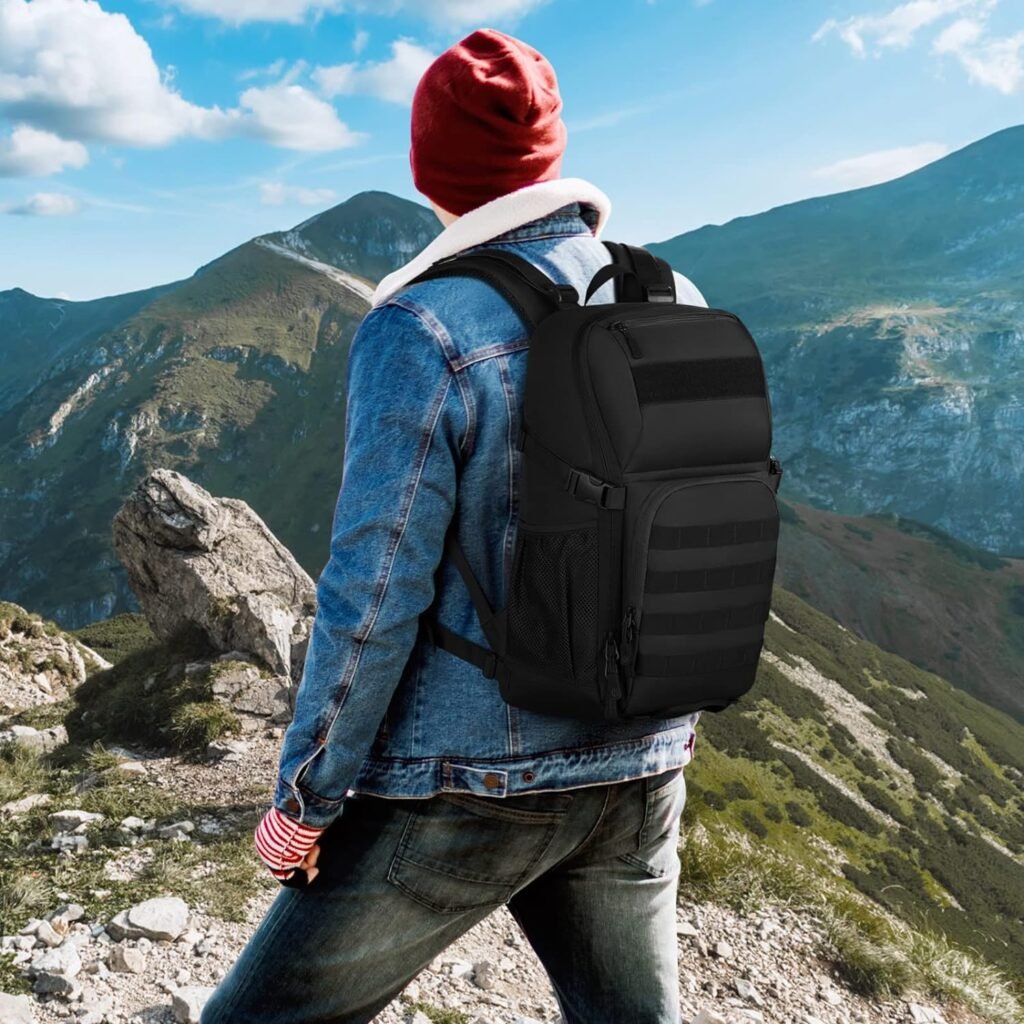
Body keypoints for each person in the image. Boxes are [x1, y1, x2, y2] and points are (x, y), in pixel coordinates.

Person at [200, 26, 706, 1024]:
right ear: (550, 154)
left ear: (430, 170)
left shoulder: (422, 327)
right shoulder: (669, 293)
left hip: (466, 776)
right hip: (644, 750)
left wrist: (303, 803)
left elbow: (373, 592)